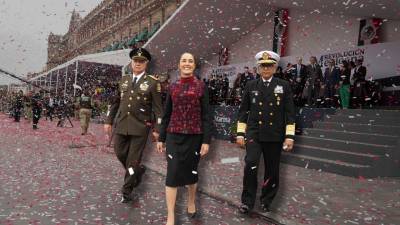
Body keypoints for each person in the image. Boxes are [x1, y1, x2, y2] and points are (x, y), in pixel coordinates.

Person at [236, 50, 295, 214]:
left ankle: (266, 201)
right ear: (258, 68)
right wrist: (241, 133)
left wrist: (289, 137)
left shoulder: (284, 86)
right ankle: (247, 201)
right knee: (251, 164)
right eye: (263, 66)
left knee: (272, 170)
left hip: (275, 134)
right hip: (255, 133)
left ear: (275, 68)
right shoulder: (250, 86)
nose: (266, 69)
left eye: (269, 66)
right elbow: (243, 112)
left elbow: (290, 114)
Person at [157, 53, 211, 225]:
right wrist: (161, 138)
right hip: (174, 135)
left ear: (194, 65)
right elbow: (166, 115)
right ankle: (171, 215)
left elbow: (206, 116)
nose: (187, 64)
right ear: (179, 65)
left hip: (195, 136)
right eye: (183, 61)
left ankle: (191, 201)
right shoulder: (172, 87)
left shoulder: (201, 86)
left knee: (191, 172)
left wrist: (206, 141)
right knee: (172, 173)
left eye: (190, 61)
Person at [104, 47, 163, 203]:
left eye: (141, 61)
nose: (138, 64)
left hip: (140, 127)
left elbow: (159, 109)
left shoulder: (153, 83)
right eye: (135, 61)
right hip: (122, 124)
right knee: (119, 153)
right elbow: (115, 102)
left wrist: (158, 129)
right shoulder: (124, 80)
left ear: (146, 64)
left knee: (132, 160)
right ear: (131, 62)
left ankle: (127, 189)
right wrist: (109, 120)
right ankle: (137, 172)